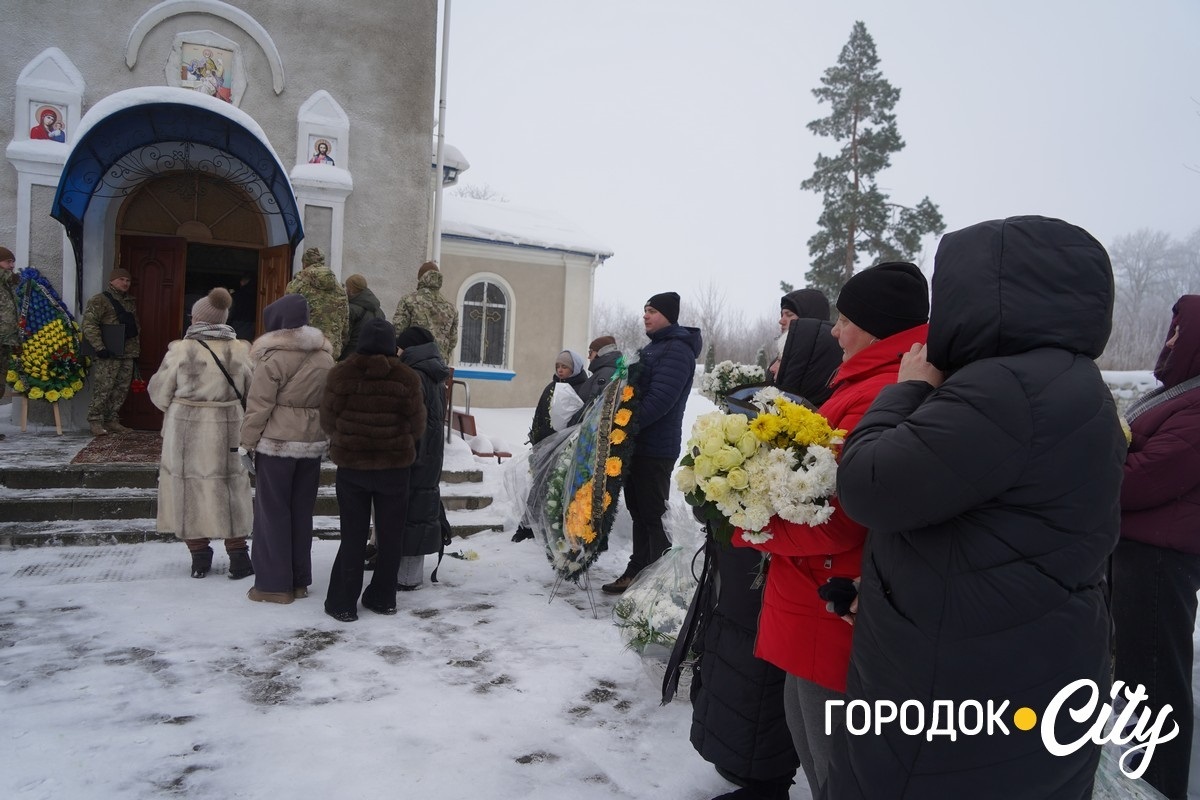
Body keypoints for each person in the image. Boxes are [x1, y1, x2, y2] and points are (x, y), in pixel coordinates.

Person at [825, 216, 1124, 798]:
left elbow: (869, 484)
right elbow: (994, 530)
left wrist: (907, 389)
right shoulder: (1069, 381)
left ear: (988, 292)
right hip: (1019, 656)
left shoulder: (1004, 388)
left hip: (958, 688)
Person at [729, 262, 929, 798]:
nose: (835, 332)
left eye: (845, 321)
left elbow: (840, 520)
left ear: (877, 329)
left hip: (830, 602)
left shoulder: (877, 393)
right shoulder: (865, 384)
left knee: (834, 768)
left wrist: (750, 525)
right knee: (815, 747)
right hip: (814, 596)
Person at [686, 291, 841, 800]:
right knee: (737, 665)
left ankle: (762, 777)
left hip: (768, 573)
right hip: (742, 575)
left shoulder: (807, 432)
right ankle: (745, 766)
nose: (772, 368)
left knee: (758, 679)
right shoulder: (770, 414)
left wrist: (735, 506)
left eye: (781, 358)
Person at [1112, 294, 1200, 800]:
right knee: (1137, 678)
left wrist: (1102, 452)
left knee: (1155, 681)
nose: (1169, 343)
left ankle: (1158, 786)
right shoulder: (1180, 395)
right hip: (1142, 553)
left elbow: (1140, 480)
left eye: (1179, 333)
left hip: (1160, 560)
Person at [321, 318, 425, 621]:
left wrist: (348, 436)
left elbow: (328, 419)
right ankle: (383, 598)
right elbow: (417, 424)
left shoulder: (341, 373)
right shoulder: (406, 377)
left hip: (352, 466)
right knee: (391, 536)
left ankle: (342, 602)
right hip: (394, 468)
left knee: (352, 535)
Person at [148, 288, 253, 580]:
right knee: (232, 488)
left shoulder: (181, 350)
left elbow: (159, 393)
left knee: (187, 489)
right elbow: (253, 392)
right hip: (229, 427)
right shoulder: (240, 350)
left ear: (197, 318)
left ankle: (199, 557)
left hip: (186, 429)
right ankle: (239, 557)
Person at [601, 291, 702, 594]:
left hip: (656, 446)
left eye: (653, 311)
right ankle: (639, 571)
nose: (646, 315)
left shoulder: (676, 351)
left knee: (653, 513)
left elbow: (660, 400)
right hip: (638, 443)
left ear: (668, 316)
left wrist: (624, 426)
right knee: (639, 510)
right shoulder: (654, 348)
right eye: (645, 310)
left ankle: (659, 580)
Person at [240, 294, 334, 605]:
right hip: (311, 445)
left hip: (277, 445)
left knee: (272, 514)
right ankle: (298, 581)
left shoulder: (273, 357)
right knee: (301, 513)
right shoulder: (325, 358)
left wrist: (246, 443)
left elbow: (259, 406)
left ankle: (273, 585)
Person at [511, 349, 589, 543]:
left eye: (565, 367)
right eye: (558, 366)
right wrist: (536, 442)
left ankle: (556, 528)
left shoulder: (583, 388)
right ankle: (527, 526)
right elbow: (540, 415)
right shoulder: (551, 387)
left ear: (575, 369)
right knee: (539, 486)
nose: (560, 370)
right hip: (545, 446)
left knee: (561, 488)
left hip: (569, 448)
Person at [395, 325, 451, 590]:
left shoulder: (415, 375)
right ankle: (408, 574)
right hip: (429, 454)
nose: (396, 352)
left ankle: (407, 578)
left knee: (413, 514)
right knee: (418, 509)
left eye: (399, 347)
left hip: (417, 454)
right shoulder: (433, 372)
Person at [82, 267, 141, 437]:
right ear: (112, 281)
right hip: (109, 352)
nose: (125, 283)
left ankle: (111, 419)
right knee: (104, 387)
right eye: (121, 279)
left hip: (127, 351)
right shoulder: (100, 300)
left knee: (121, 388)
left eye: (128, 280)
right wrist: (99, 347)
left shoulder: (129, 301)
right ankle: (95, 420)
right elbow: (89, 324)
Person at [772, 289, 842, 402]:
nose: (781, 321)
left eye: (789, 315)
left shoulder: (833, 363)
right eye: (782, 314)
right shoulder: (775, 365)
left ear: (809, 319)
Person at [285, 246, 349, 356]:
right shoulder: (338, 288)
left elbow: (287, 313)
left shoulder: (297, 284)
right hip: (331, 348)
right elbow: (345, 321)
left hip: (305, 347)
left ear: (304, 263)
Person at [392, 261, 459, 364]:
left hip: (413, 363)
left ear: (420, 279)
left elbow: (398, 330)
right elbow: (453, 340)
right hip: (438, 365)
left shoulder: (408, 300)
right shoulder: (451, 307)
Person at [339, 273, 384, 361]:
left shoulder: (351, 309)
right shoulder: (379, 310)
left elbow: (345, 336)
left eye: (347, 287)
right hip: (373, 354)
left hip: (352, 355)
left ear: (351, 289)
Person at [0, 247, 19, 441]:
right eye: (8, 262)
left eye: (12, 262)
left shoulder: (7, 285)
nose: (12, 265)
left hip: (5, 342)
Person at [228, 271, 257, 340]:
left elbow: (229, 314)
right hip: (254, 329)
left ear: (242, 282)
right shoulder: (260, 296)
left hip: (236, 329)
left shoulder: (235, 296)